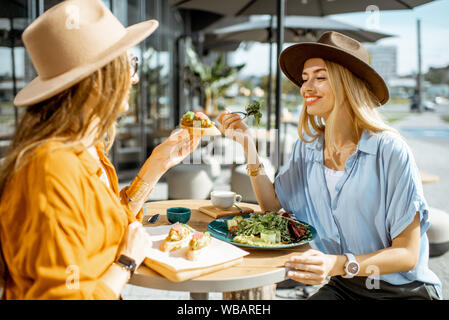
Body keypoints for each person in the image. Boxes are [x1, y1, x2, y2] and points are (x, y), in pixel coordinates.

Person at [217, 31, 442, 300]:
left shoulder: (390, 150)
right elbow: (272, 206)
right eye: (304, 79)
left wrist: (337, 264)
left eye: (320, 77)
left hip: (404, 291)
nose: (306, 88)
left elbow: (407, 254)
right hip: (345, 286)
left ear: (347, 83)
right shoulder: (306, 147)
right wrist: (248, 146)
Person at [0, 0, 200, 300]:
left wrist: (157, 164)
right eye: (131, 64)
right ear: (97, 80)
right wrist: (126, 262)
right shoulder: (52, 169)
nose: (135, 78)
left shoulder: (85, 149)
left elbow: (107, 224)